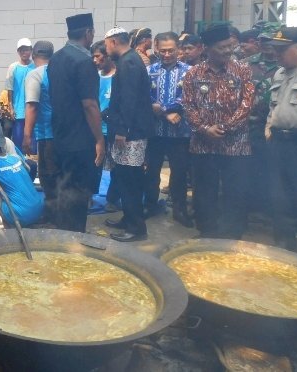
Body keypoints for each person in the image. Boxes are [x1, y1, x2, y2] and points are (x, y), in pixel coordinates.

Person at [184, 24, 254, 239]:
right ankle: (208, 232)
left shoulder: (242, 69)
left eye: (229, 46)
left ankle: (232, 233)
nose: (226, 51)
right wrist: (205, 129)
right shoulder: (193, 73)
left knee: (235, 190)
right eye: (221, 47)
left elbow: (247, 102)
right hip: (204, 143)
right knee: (204, 191)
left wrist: (226, 127)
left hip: (236, 143)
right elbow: (188, 105)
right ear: (207, 48)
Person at [46, 13, 105, 233]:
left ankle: (63, 231)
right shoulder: (84, 62)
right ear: (88, 33)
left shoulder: (57, 58)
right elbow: (89, 104)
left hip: (61, 134)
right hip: (81, 139)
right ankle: (75, 237)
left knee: (64, 186)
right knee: (79, 190)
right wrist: (99, 139)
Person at [103, 27, 154, 242]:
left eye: (106, 45)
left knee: (131, 180)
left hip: (131, 134)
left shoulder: (130, 63)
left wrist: (122, 130)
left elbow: (129, 100)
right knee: (123, 178)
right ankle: (128, 217)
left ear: (114, 42)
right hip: (127, 130)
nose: (106, 50)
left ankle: (136, 228)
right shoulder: (128, 60)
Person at [265, 27, 297, 253]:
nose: (276, 54)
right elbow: (274, 106)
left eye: (282, 49)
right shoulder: (280, 74)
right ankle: (284, 247)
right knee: (279, 197)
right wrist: (268, 125)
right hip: (279, 144)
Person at [142, 32, 193, 227]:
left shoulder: (189, 72)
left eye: (171, 50)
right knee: (152, 171)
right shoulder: (149, 70)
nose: (167, 54)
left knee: (179, 173)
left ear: (178, 49)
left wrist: (166, 109)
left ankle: (180, 210)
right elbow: (145, 97)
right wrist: (165, 113)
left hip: (179, 132)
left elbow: (189, 97)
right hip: (155, 132)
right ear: (156, 48)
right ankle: (150, 205)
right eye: (163, 51)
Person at [244, 28, 280, 216]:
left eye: (271, 41)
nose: (267, 46)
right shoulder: (247, 64)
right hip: (249, 126)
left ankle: (269, 209)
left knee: (272, 170)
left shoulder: (286, 65)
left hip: (274, 128)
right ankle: (252, 207)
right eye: (263, 41)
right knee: (249, 169)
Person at [0, 132, 43, 226]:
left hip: (20, 216)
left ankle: (4, 223)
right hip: (38, 209)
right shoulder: (15, 157)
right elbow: (28, 170)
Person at [23, 40, 56, 224]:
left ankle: (53, 214)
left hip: (46, 133)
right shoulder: (59, 72)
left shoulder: (35, 75)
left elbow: (32, 106)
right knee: (60, 173)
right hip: (64, 132)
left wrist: (27, 135)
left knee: (47, 175)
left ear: (34, 55)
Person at [91, 40, 120, 212]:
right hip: (97, 129)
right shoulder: (94, 77)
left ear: (107, 56)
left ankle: (112, 198)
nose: (95, 60)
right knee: (95, 164)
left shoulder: (119, 77)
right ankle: (89, 195)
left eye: (98, 56)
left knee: (116, 166)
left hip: (114, 130)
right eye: (93, 57)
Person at [6, 38, 35, 152]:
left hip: (33, 111)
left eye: (26, 50)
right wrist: (11, 107)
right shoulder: (13, 67)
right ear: (18, 52)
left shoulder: (35, 66)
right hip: (19, 111)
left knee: (33, 143)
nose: (24, 52)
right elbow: (9, 88)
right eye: (21, 50)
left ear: (31, 50)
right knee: (18, 142)